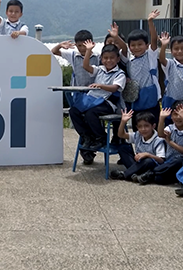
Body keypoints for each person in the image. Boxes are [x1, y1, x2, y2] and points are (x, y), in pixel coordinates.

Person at [52, 29, 100, 165]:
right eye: (79, 46)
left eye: (84, 45)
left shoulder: (98, 56)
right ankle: (86, 149)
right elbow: (54, 52)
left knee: (91, 119)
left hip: (94, 95)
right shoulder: (73, 55)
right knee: (77, 116)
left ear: (92, 44)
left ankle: (89, 148)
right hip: (79, 95)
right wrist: (60, 45)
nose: (82, 48)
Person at [68, 41, 126, 152]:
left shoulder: (120, 74)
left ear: (118, 59)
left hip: (107, 103)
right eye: (105, 58)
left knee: (91, 114)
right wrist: (88, 50)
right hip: (92, 100)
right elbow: (85, 66)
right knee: (73, 111)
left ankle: (101, 137)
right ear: (102, 59)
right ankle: (87, 136)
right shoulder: (100, 69)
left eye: (112, 58)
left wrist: (100, 86)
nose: (108, 60)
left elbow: (114, 88)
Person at [137, 101, 183, 185]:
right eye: (175, 114)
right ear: (171, 116)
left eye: (181, 115)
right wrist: (161, 118)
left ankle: (153, 172)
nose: (178, 117)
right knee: (159, 179)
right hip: (169, 163)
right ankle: (164, 175)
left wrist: (170, 142)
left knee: (180, 160)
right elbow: (161, 134)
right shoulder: (170, 128)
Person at [124, 10, 162, 127]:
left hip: (150, 97)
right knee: (138, 129)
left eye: (140, 44)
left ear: (147, 45)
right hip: (136, 99)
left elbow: (154, 39)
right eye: (133, 45)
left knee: (153, 127)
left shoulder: (150, 56)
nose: (136, 48)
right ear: (129, 47)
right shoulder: (129, 62)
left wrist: (150, 21)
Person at [110, 110, 166, 181]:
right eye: (140, 126)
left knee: (148, 161)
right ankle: (134, 175)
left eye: (146, 126)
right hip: (138, 163)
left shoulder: (158, 140)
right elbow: (121, 134)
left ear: (153, 126)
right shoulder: (138, 135)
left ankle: (125, 174)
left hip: (150, 166)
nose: (143, 129)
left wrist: (147, 155)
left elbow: (161, 160)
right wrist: (123, 122)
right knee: (123, 148)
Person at [158, 32, 183, 110]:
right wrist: (164, 45)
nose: (179, 51)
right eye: (176, 49)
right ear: (171, 51)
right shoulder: (171, 64)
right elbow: (162, 59)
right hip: (171, 101)